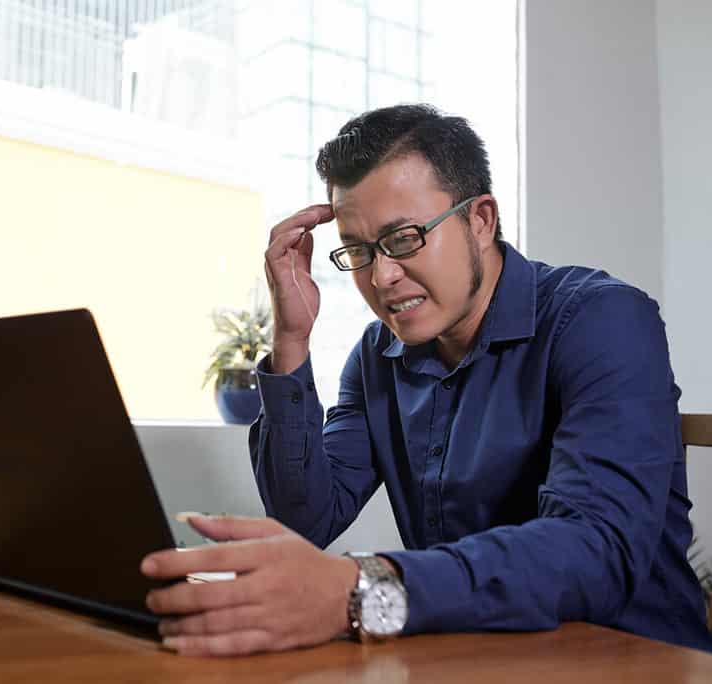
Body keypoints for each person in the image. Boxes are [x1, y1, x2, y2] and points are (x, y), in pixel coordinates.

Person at [140, 104, 712, 656]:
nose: (382, 276)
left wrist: (361, 583)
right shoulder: (378, 355)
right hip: (469, 656)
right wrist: (291, 341)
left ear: (480, 219)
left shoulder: (601, 320)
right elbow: (306, 522)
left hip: (633, 657)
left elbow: (597, 551)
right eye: (358, 252)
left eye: (404, 238)